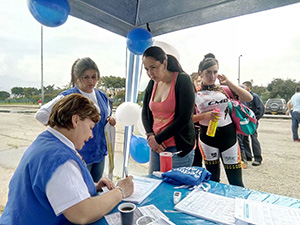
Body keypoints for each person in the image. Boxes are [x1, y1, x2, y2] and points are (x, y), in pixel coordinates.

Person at [0, 94, 134, 225]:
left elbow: (55, 188)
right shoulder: (59, 160)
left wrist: (93, 186)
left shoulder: (46, 142)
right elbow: (82, 213)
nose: (91, 135)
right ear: (76, 120)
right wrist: (120, 191)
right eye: (90, 128)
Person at [35, 57, 116, 182]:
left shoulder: (102, 96)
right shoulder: (68, 96)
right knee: (82, 189)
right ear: (77, 77)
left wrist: (110, 120)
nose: (91, 81)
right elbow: (41, 115)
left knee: (97, 188)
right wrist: (63, 126)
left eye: (94, 77)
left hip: (99, 152)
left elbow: (104, 117)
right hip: (80, 153)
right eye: (86, 77)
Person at [195, 53, 253, 187]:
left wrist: (229, 83)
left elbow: (248, 98)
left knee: (236, 182)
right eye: (208, 72)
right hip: (207, 139)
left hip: (229, 138)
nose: (212, 76)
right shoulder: (194, 92)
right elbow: (186, 119)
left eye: (215, 72)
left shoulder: (225, 89)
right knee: (213, 181)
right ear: (200, 73)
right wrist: (205, 116)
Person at [142, 46, 196, 174]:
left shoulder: (182, 80)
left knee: (175, 190)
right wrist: (150, 136)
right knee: (154, 187)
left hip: (178, 147)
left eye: (153, 67)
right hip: (157, 146)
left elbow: (184, 117)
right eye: (146, 69)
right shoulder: (152, 82)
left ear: (164, 64)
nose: (150, 73)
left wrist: (158, 139)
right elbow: (145, 112)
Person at [242, 81, 265, 166]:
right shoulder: (242, 97)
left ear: (249, 87)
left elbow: (261, 109)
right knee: (245, 138)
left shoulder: (254, 97)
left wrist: (254, 119)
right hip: (244, 121)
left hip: (252, 121)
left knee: (254, 138)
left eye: (244, 87)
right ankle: (248, 156)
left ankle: (258, 158)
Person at [190, 72, 203, 167]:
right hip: (193, 131)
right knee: (195, 160)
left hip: (203, 131)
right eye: (198, 81)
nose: (200, 84)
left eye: (201, 82)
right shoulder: (190, 96)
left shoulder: (203, 95)